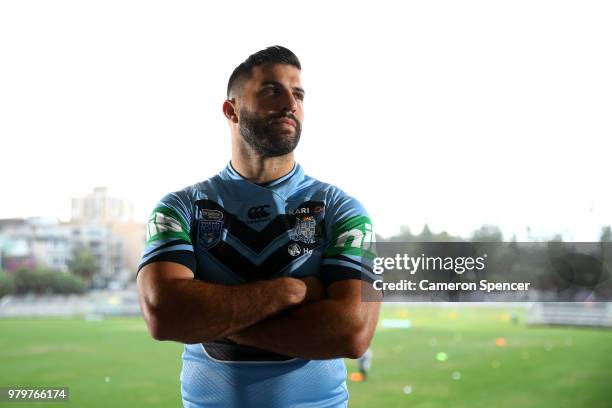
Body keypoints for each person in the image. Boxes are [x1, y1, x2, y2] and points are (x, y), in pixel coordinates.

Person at [136, 45, 381, 408]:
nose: (289, 103)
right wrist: (292, 291)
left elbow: (352, 333)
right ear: (231, 110)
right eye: (271, 90)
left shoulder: (343, 210)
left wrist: (216, 322)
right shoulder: (179, 208)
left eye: (298, 93)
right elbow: (164, 314)